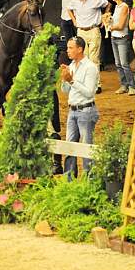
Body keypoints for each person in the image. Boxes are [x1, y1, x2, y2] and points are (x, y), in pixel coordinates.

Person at [60, 36, 99, 181]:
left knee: (86, 148)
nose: (67, 50)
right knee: (70, 147)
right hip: (73, 110)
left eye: (71, 48)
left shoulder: (90, 67)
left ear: (80, 49)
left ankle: (90, 181)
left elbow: (89, 92)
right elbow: (65, 91)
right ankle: (68, 181)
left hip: (86, 111)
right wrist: (64, 78)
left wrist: (71, 80)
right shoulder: (71, 66)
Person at [67, 0, 109, 96]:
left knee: (94, 58)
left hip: (93, 30)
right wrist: (74, 20)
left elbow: (107, 4)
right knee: (82, 58)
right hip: (81, 31)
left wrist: (104, 16)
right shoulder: (75, 1)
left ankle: (97, 85)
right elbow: (68, 8)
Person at [108, 0, 135, 96]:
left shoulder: (124, 7)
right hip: (114, 37)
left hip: (121, 38)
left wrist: (111, 27)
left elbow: (120, 25)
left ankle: (131, 86)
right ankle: (124, 85)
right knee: (118, 63)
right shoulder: (117, 7)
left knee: (124, 64)